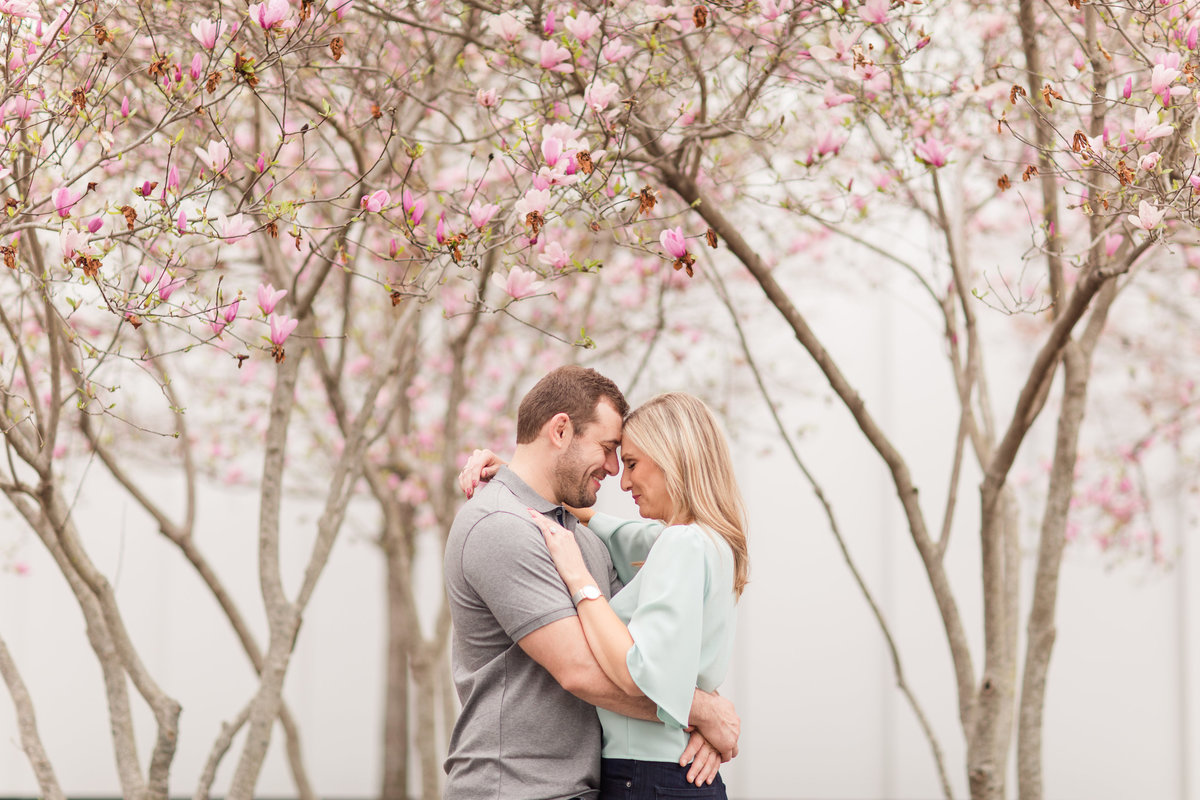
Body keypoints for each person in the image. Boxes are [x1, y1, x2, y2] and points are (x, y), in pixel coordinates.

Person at [443, 367, 739, 800]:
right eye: (608, 448)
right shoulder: (500, 525)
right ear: (561, 430)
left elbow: (655, 645)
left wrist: (698, 713)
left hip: (581, 786)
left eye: (627, 457)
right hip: (513, 788)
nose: (615, 469)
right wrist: (702, 713)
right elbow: (581, 671)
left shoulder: (582, 540)